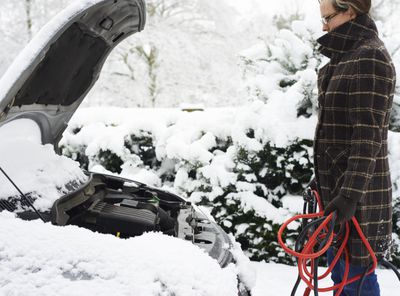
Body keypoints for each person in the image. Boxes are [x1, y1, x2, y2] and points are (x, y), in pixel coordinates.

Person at [311, 0, 396, 295]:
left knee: (354, 281)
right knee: (341, 278)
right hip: (336, 197)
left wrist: (348, 196)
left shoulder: (368, 58)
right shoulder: (343, 59)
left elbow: (366, 137)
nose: (324, 26)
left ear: (350, 10)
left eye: (328, 17)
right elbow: (336, 135)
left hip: (358, 202)